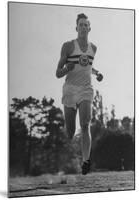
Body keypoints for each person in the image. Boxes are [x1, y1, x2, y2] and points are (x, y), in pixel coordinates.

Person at [56, 13, 103, 175]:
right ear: (76, 28)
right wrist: (66, 68)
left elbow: (88, 66)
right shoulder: (68, 46)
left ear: (89, 28)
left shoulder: (93, 48)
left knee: (85, 124)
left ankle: (85, 161)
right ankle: (63, 160)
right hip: (70, 89)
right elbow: (57, 73)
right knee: (70, 131)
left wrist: (96, 73)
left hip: (85, 89)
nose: (83, 27)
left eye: (86, 25)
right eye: (80, 25)